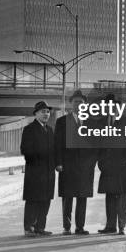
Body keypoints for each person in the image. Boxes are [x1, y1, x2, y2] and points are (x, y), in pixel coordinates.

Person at [54, 90, 97, 235]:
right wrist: (58, 162)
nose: (79, 104)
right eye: (76, 102)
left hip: (85, 167)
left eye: (81, 102)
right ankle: (67, 227)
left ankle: (80, 227)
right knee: (68, 197)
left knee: (82, 197)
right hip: (67, 165)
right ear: (70, 103)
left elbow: (95, 145)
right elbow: (57, 144)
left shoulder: (91, 122)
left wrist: (92, 162)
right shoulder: (61, 122)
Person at [97, 94, 126, 235]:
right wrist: (101, 162)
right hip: (107, 166)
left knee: (121, 197)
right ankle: (110, 226)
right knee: (109, 196)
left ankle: (122, 226)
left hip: (122, 165)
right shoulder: (103, 121)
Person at [20, 100, 55, 237]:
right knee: (33, 200)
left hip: (48, 172)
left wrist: (53, 165)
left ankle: (40, 227)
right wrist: (38, 164)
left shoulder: (50, 130)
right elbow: (25, 150)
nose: (46, 114)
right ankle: (29, 228)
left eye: (47, 111)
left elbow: (54, 151)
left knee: (45, 200)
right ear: (36, 114)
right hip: (35, 172)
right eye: (43, 112)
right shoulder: (29, 129)